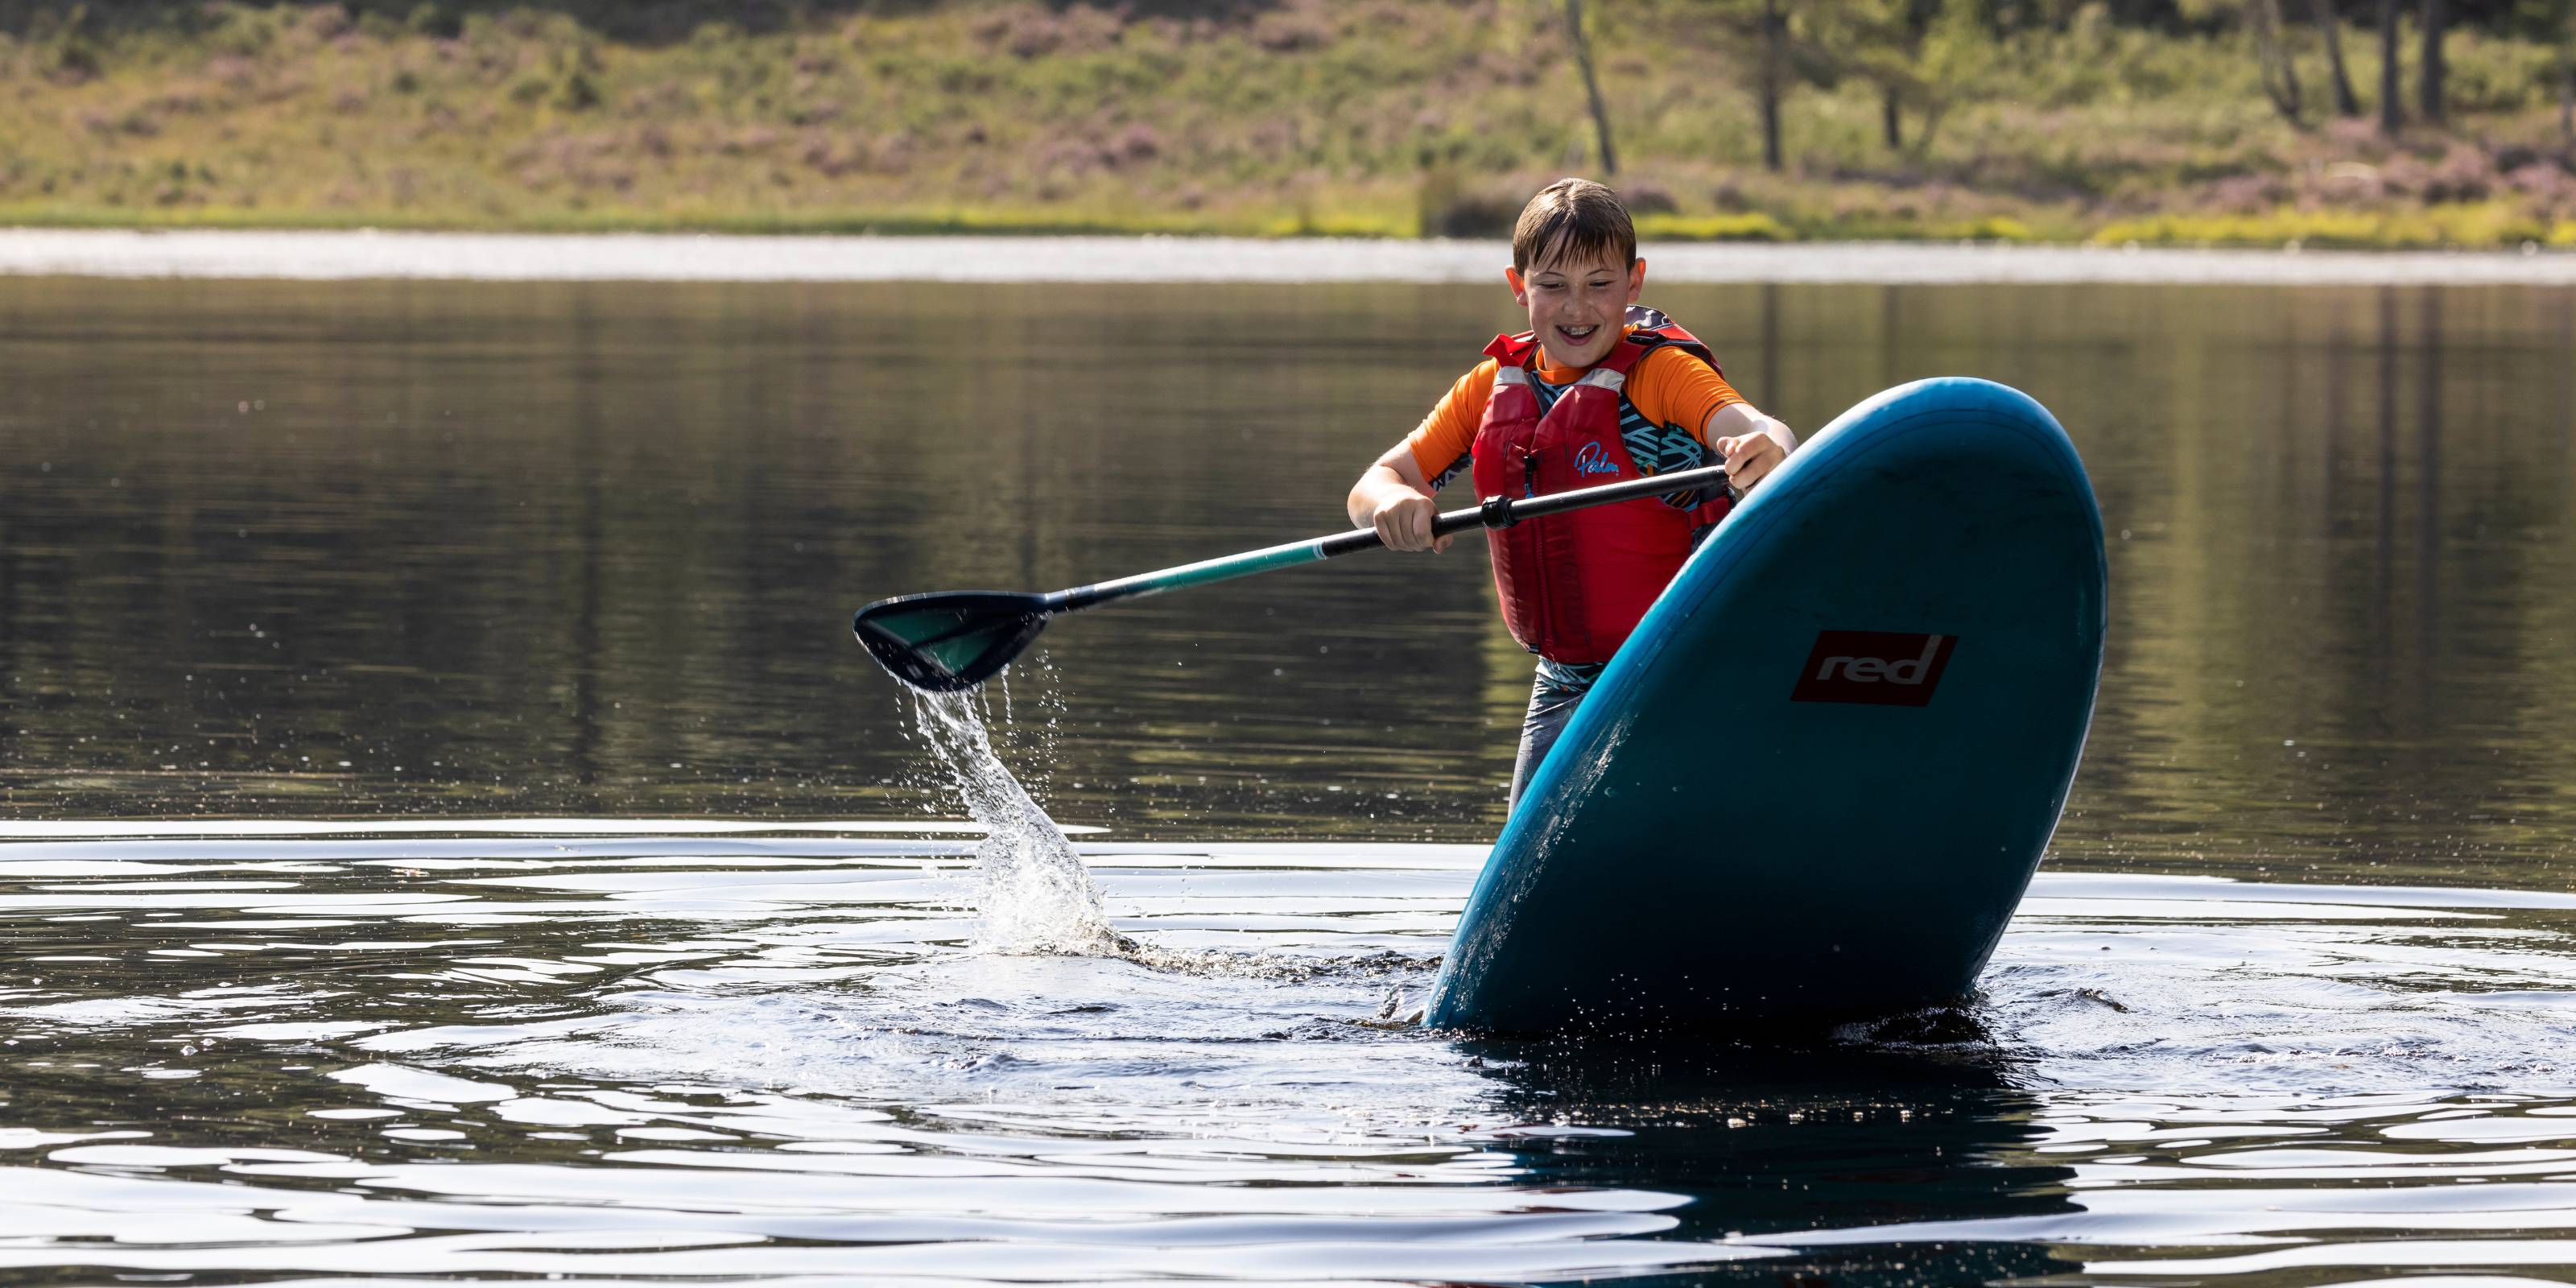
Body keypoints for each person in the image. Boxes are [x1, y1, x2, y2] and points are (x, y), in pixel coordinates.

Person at [1345, 178, 1801, 811]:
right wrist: (1392, 505)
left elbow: (1756, 427)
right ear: (1518, 287)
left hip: (1679, 671)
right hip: (1562, 683)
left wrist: (1767, 451)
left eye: (1600, 284)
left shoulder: (1663, 374)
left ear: (1634, 283)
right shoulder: (1487, 389)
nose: (1577, 308)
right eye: (1553, 285)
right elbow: (1374, 483)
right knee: (1523, 880)